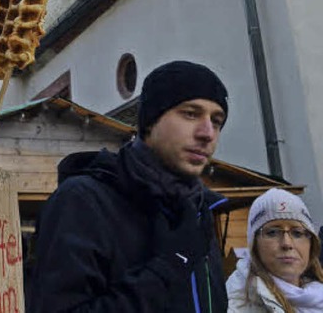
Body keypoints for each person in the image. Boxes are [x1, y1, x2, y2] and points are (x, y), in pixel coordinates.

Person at [28, 60, 230, 313]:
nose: (207, 133)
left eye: (217, 120)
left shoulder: (198, 211)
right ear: (149, 121)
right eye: (190, 113)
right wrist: (168, 267)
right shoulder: (84, 202)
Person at [227, 188, 323, 311]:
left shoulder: (318, 296)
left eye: (297, 233)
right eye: (272, 232)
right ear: (254, 244)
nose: (287, 243)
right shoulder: (234, 305)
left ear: (311, 243)